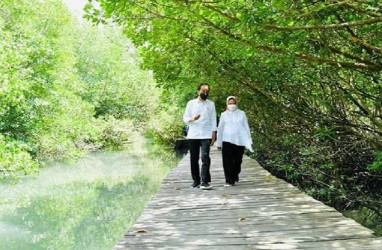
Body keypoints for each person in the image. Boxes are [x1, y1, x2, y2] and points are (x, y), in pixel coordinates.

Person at [183, 83, 217, 190]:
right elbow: (185, 117)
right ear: (198, 91)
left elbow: (213, 119)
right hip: (193, 134)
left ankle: (205, 181)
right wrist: (193, 118)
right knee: (194, 158)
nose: (205, 93)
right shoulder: (191, 103)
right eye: (203, 91)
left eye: (207, 91)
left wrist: (214, 134)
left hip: (206, 134)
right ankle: (196, 181)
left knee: (205, 157)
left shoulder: (211, 104)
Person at [216, 96, 253, 186]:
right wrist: (219, 142)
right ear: (227, 104)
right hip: (227, 139)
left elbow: (246, 126)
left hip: (240, 140)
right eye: (230, 103)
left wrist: (249, 140)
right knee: (227, 160)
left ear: (236, 104)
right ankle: (229, 180)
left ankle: (235, 174)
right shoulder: (224, 114)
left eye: (233, 103)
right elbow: (220, 129)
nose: (232, 105)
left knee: (238, 160)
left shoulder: (242, 113)